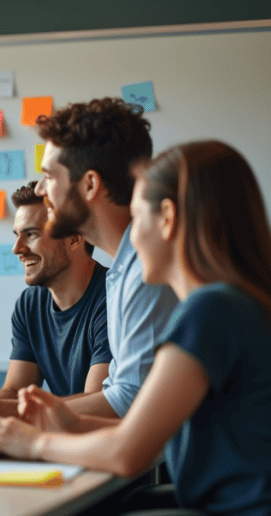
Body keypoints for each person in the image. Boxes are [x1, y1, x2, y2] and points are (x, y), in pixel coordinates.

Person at [0, 140, 271, 516]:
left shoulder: (211, 311)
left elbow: (127, 454)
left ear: (166, 217)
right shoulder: (240, 304)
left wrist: (32, 442)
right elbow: (155, 432)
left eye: (136, 219)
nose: (129, 242)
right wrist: (72, 423)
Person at [31, 97, 178, 418]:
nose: (41, 189)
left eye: (51, 176)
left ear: (90, 184)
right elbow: (117, 391)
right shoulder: (123, 269)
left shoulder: (146, 272)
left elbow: (128, 400)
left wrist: (21, 420)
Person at [0, 182, 110, 423]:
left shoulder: (114, 297)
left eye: (32, 234)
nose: (17, 249)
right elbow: (14, 390)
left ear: (75, 238)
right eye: (17, 236)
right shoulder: (30, 303)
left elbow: (97, 402)